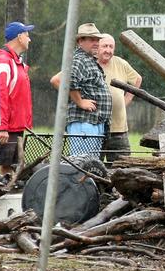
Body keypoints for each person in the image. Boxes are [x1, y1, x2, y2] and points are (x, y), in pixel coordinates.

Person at [52, 32, 141, 165]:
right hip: (94, 124)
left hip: (118, 129)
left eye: (111, 47)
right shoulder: (84, 62)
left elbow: (137, 80)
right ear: (97, 47)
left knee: (123, 168)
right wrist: (78, 100)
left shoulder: (120, 63)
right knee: (91, 166)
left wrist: (125, 101)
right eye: (105, 46)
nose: (108, 50)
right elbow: (57, 80)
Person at [0, 21, 34, 181]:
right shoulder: (3, 61)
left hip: (15, 128)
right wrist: (2, 127)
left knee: (8, 171)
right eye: (27, 35)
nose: (29, 39)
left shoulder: (17, 62)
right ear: (19, 37)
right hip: (5, 129)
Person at [59, 22, 112, 159]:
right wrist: (80, 102)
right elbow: (69, 81)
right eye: (91, 39)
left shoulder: (90, 60)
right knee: (80, 165)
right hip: (84, 122)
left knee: (89, 166)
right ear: (80, 41)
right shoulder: (79, 59)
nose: (96, 43)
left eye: (97, 39)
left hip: (93, 122)